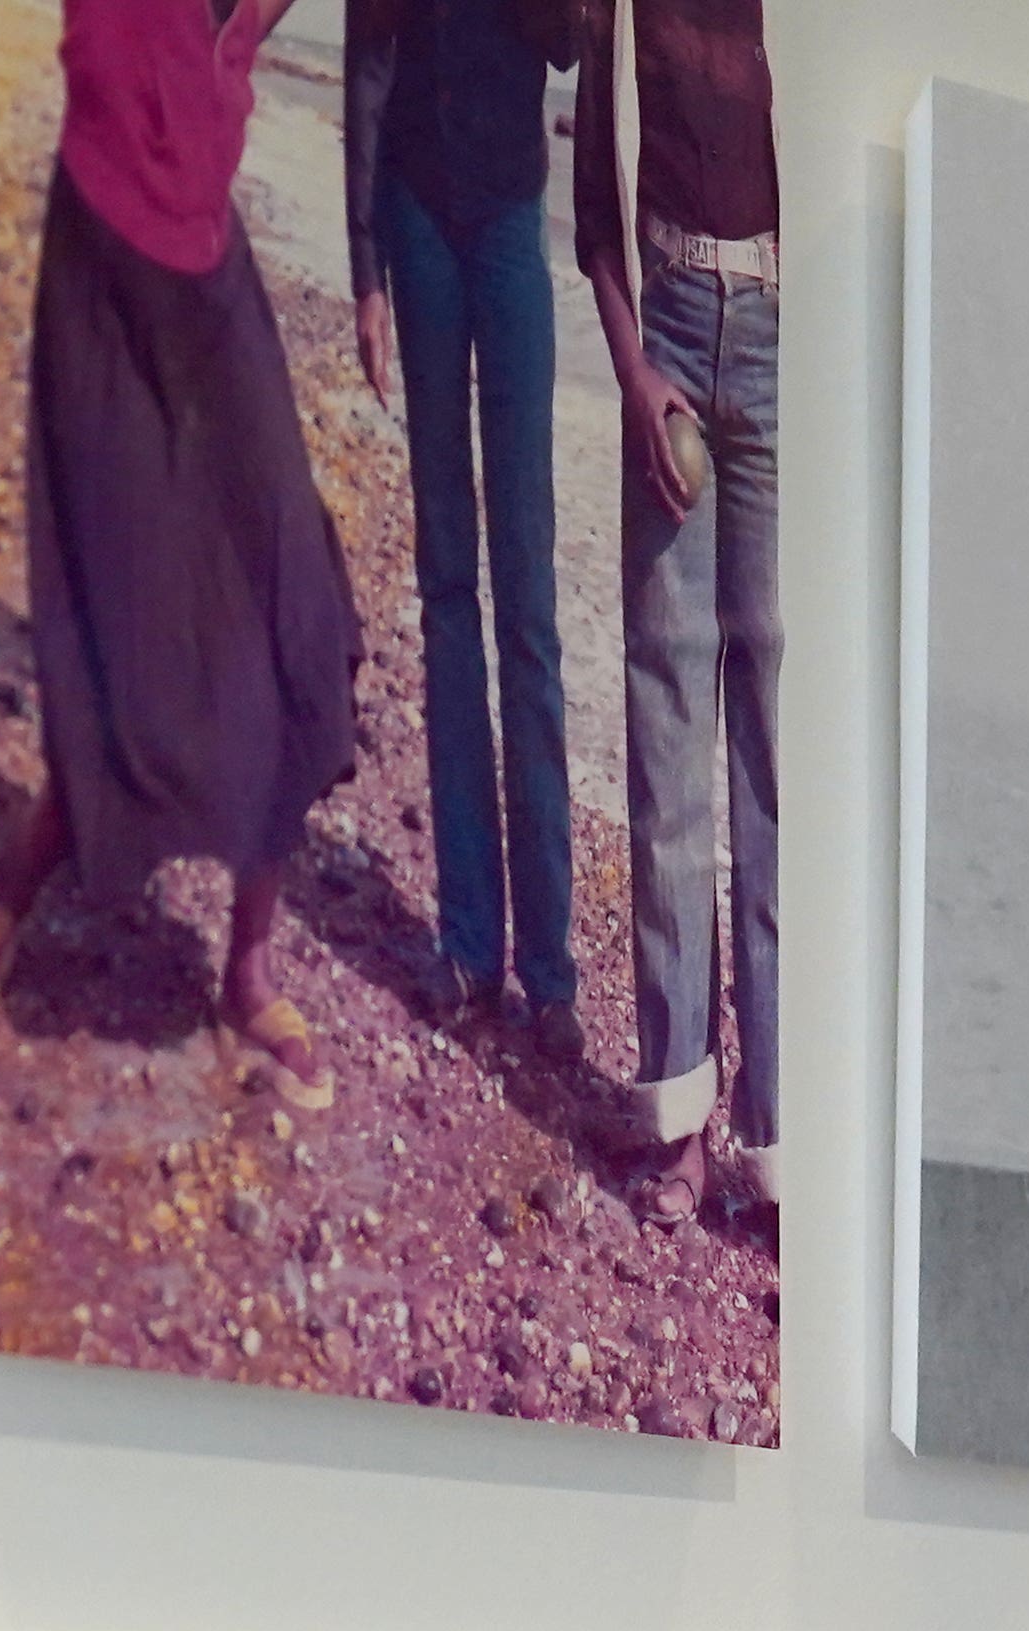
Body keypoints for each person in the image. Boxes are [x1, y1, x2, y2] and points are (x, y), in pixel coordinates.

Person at [0, 0, 364, 1110]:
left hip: (208, 264)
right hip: (106, 265)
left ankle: (248, 969)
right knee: (124, 617)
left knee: (299, 608)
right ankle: (8, 897)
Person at [574, 0, 776, 1229]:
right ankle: (680, 1120)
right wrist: (635, 372)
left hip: (781, 342)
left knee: (775, 745)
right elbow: (595, 217)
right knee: (667, 729)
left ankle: (779, 1133)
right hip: (672, 339)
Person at [346, 0, 578, 1049]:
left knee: (528, 600)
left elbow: (574, 37)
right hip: (416, 218)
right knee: (448, 587)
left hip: (510, 223)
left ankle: (551, 971)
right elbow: (364, 63)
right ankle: (470, 948)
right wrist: (363, 274)